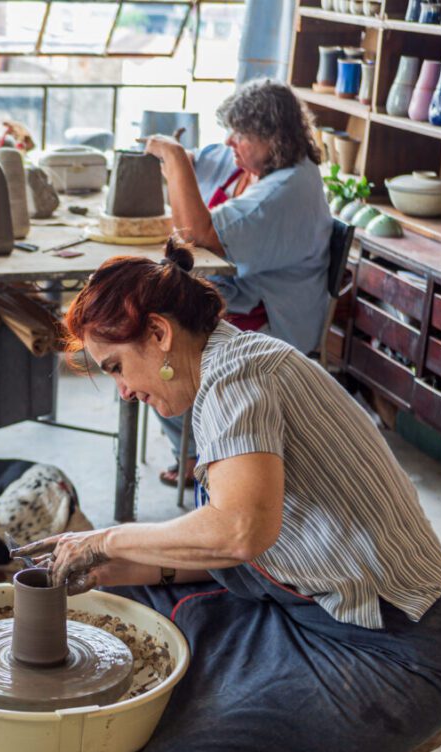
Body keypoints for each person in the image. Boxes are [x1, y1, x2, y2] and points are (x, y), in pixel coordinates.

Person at [19, 240, 441, 752]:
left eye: (119, 366)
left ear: (159, 332)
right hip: (322, 615)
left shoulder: (240, 376)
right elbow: (241, 546)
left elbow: (239, 530)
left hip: (397, 654)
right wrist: (108, 566)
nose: (123, 391)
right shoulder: (226, 373)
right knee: (134, 614)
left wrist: (107, 538)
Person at [144, 78, 332, 487]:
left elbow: (196, 235)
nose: (231, 141)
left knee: (160, 349)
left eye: (242, 134)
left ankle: (202, 453)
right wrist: (182, 161)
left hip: (271, 319)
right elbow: (207, 159)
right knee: (153, 325)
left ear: (274, 139)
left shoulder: (286, 190)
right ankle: (194, 443)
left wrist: (174, 157)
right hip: (239, 297)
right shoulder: (249, 161)